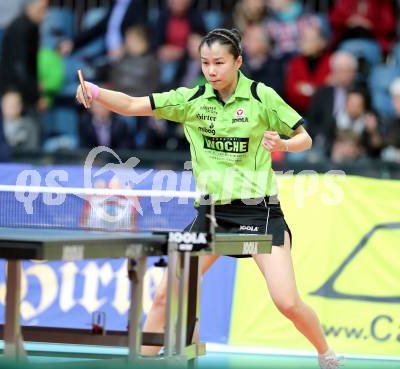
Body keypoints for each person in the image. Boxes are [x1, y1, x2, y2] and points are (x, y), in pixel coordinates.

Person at [75, 28, 344, 369]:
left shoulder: (262, 97)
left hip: (257, 213)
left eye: (219, 62)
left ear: (238, 62)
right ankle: (139, 362)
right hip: (212, 214)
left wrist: (285, 146)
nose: (212, 70)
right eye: (205, 63)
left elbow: (304, 138)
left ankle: (325, 352)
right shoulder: (191, 101)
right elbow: (131, 105)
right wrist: (95, 91)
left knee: (286, 301)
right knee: (163, 296)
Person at [0, 0, 49, 113]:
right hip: (11, 91)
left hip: (21, 88)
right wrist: (35, 96)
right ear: (30, 8)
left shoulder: (31, 26)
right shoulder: (20, 28)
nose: (45, 14)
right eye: (41, 9)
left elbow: (30, 64)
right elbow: (19, 67)